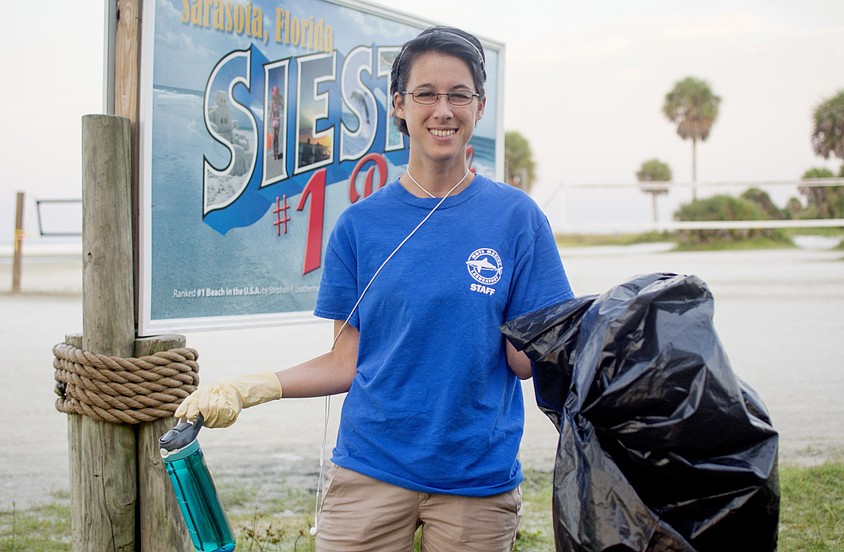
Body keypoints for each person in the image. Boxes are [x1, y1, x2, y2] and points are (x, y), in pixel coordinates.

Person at [176, 26, 574, 551]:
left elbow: (525, 361)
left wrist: (589, 338)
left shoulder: (517, 219)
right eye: (426, 94)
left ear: (479, 107)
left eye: (459, 95)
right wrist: (252, 388)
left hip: (475, 481)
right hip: (369, 470)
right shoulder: (360, 227)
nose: (443, 110)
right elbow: (345, 362)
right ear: (398, 107)